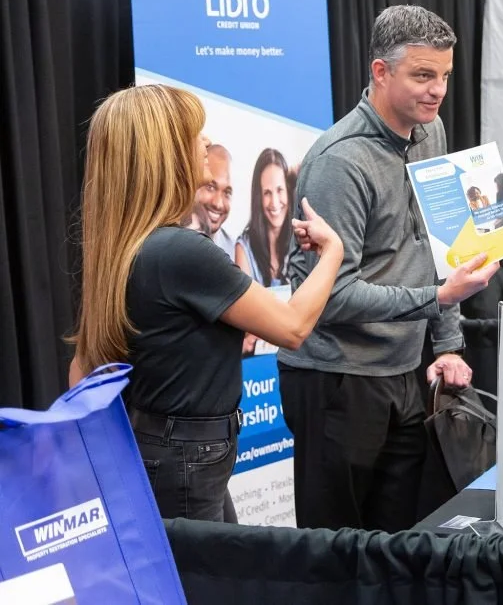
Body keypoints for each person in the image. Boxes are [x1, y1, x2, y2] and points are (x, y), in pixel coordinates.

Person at [68, 84, 345, 522]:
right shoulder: (181, 252)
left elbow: (83, 366)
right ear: (168, 152)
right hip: (186, 461)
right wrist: (333, 253)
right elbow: (293, 327)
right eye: (197, 135)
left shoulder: (125, 247)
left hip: (164, 451)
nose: (207, 144)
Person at [277, 5, 499, 532]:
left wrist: (446, 343)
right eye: (422, 75)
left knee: (398, 545)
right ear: (380, 72)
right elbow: (328, 297)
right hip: (337, 379)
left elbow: (434, 241)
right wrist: (439, 301)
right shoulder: (339, 162)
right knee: (336, 550)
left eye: (444, 76)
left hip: (404, 372)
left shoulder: (432, 132)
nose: (437, 90)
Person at [235, 148, 294, 287]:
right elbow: (245, 308)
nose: (274, 202)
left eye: (280, 190)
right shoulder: (244, 248)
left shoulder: (300, 240)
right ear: (258, 197)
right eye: (267, 193)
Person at [197, 143, 234, 257]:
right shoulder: (165, 235)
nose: (218, 204)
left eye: (227, 193)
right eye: (210, 187)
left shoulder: (234, 254)